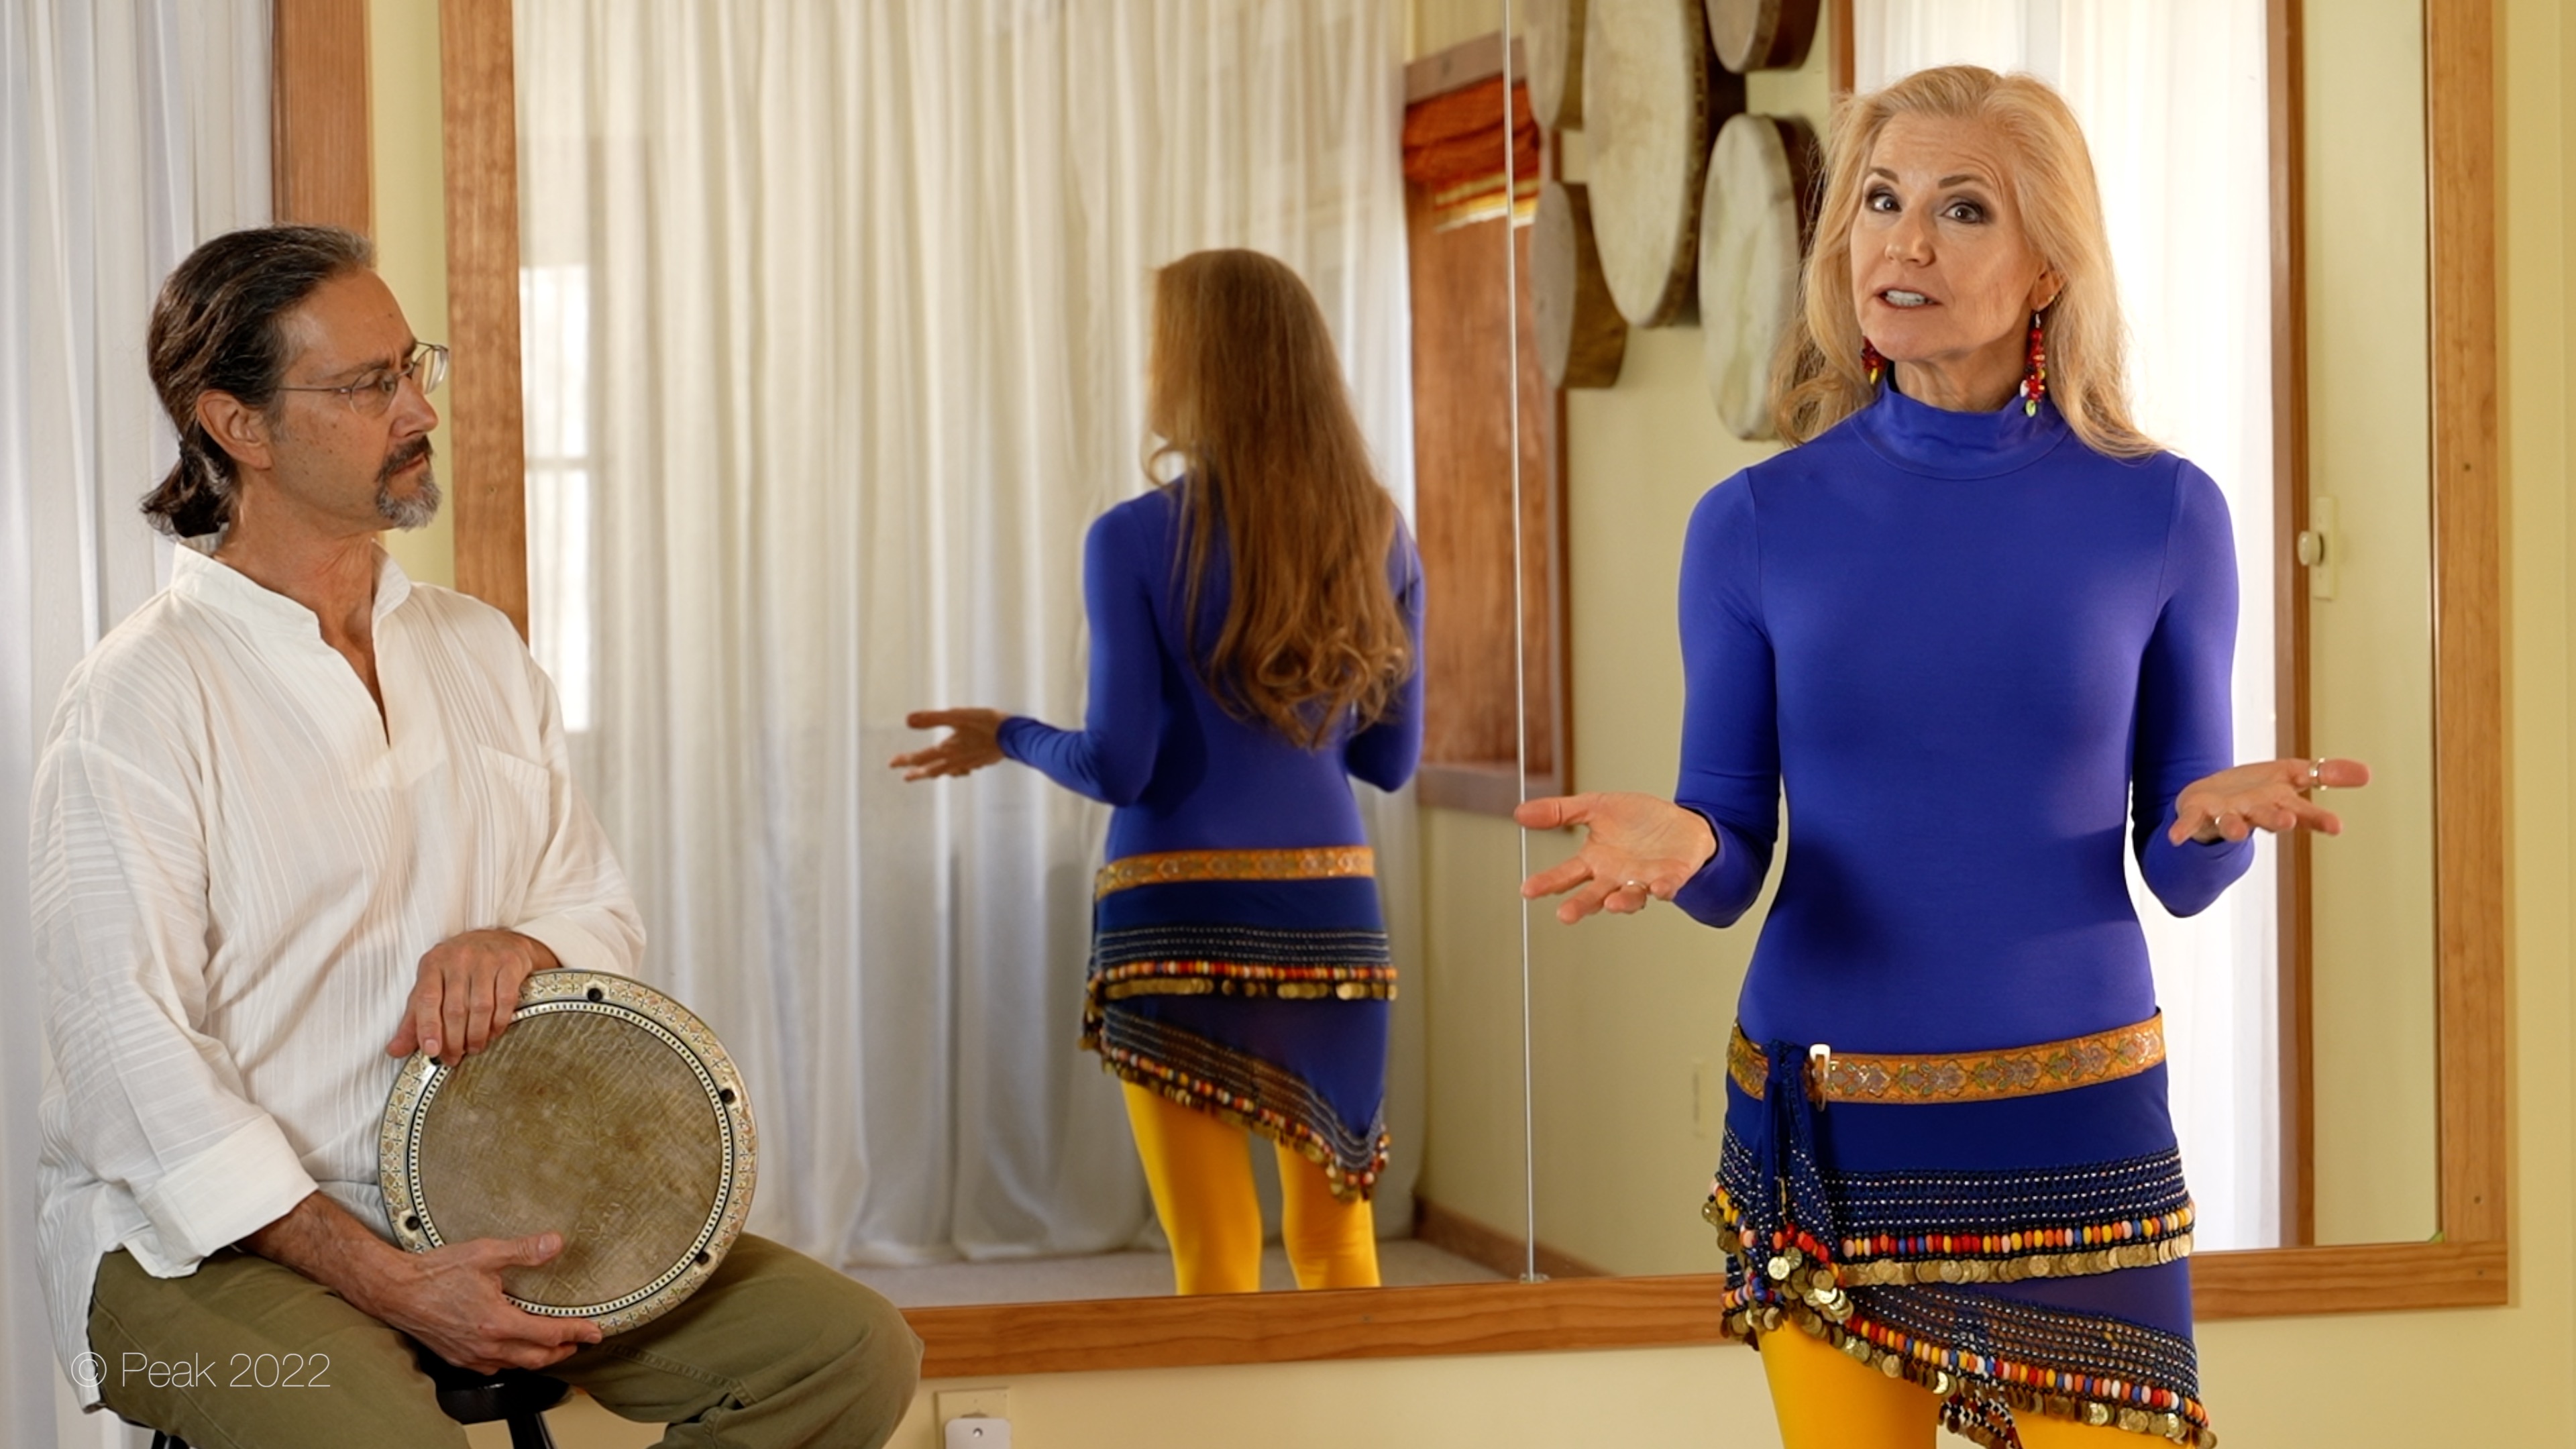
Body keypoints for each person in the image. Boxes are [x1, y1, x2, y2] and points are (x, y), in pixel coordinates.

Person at [1515, 68, 2365, 1449]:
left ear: (2047, 265)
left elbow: (2177, 871)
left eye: (1961, 209)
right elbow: (1731, 858)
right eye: (1880, 202)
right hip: (1831, 1130)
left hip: (2082, 1118)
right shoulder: (1751, 524)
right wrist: (1689, 845)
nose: (1903, 243)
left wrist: (2210, 821)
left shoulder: (2165, 514)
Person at [32, 225, 919, 1447]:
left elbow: (597, 903)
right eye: (365, 386)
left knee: (844, 1353)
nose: (416, 407)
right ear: (236, 425)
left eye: (412, 366)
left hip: (481, 1210)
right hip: (195, 1248)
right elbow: (126, 1061)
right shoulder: (139, 697)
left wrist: (526, 943)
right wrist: (387, 1281)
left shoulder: (478, 647)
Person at [894, 249, 1421, 1295]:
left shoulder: (1131, 539)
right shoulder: (1376, 528)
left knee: (1215, 1255)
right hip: (1330, 922)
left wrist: (1008, 733)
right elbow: (1390, 760)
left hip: (1172, 920)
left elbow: (1121, 767)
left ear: (1196, 370)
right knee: (1337, 1247)